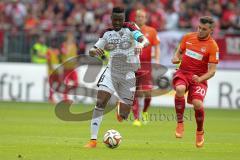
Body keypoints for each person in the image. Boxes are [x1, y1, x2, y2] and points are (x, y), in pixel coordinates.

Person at [84, 6, 149, 148]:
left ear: (124, 19)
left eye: (120, 20)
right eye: (115, 20)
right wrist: (94, 52)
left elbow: (145, 40)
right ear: (111, 19)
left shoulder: (131, 28)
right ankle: (93, 140)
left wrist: (141, 45)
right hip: (111, 71)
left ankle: (120, 107)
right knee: (100, 102)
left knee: (124, 116)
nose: (117, 23)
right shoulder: (107, 33)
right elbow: (92, 50)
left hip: (129, 74)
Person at [171, 16, 219, 148]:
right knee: (180, 89)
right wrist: (175, 57)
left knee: (198, 104)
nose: (200, 31)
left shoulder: (213, 46)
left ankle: (199, 131)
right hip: (183, 73)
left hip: (198, 78)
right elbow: (179, 52)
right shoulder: (188, 37)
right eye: (199, 28)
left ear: (211, 30)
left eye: (204, 29)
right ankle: (180, 123)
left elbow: (212, 71)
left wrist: (200, 79)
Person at [132, 9, 160, 126]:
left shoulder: (151, 31)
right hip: (133, 64)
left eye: (142, 17)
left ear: (146, 18)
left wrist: (157, 60)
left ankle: (144, 112)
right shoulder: (130, 31)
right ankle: (136, 118)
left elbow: (156, 47)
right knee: (135, 92)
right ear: (135, 18)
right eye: (138, 16)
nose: (140, 18)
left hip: (147, 65)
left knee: (148, 92)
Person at [60, 31, 79, 101]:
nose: (72, 38)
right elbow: (63, 52)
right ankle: (65, 98)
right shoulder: (64, 45)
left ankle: (68, 92)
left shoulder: (74, 46)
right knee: (66, 83)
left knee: (76, 83)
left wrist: (76, 61)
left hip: (72, 68)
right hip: (66, 68)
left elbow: (75, 55)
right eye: (70, 37)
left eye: (72, 37)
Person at [46, 39, 62, 104]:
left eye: (54, 42)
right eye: (53, 42)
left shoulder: (57, 51)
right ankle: (50, 98)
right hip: (51, 71)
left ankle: (51, 97)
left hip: (56, 70)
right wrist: (51, 68)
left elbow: (59, 59)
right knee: (52, 84)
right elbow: (48, 60)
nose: (54, 44)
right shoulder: (48, 51)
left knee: (57, 84)